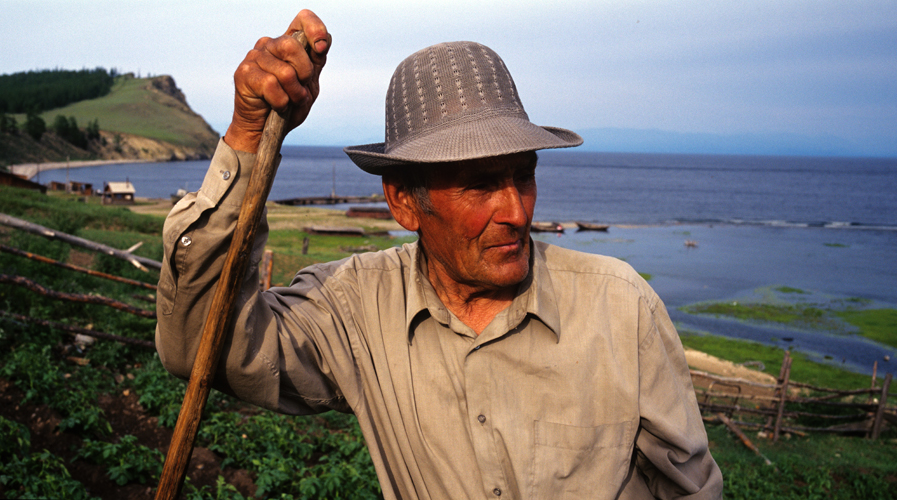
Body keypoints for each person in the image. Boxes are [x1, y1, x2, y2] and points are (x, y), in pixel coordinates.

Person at [156, 9, 722, 499]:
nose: (517, 212)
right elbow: (203, 346)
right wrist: (247, 133)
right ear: (404, 203)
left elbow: (691, 489)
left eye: (523, 177)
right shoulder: (356, 307)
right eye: (478, 186)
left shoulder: (619, 306)